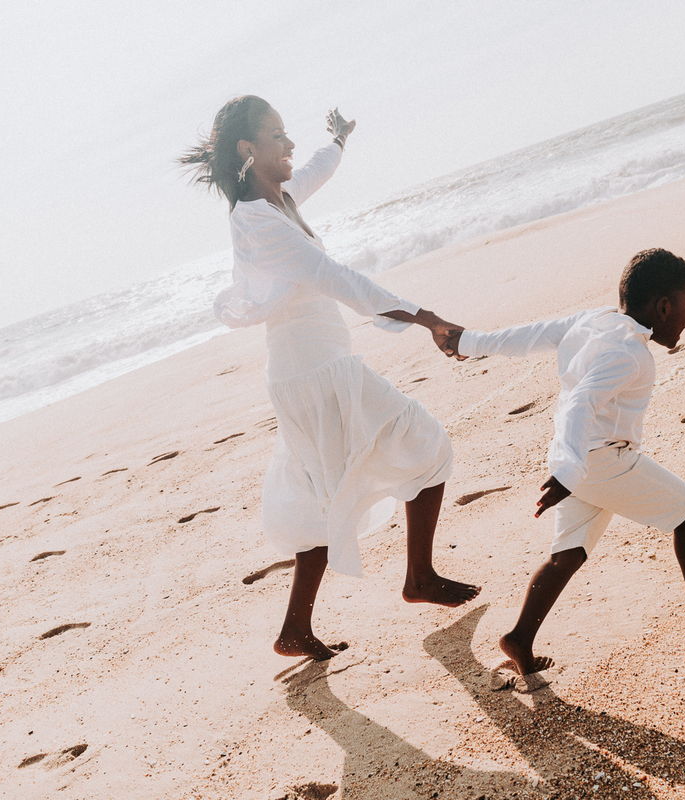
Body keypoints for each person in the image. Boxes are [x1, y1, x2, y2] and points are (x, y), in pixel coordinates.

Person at [181, 95, 479, 662]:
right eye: (277, 135)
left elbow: (316, 167)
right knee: (427, 443)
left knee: (321, 497)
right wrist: (427, 318)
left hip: (311, 368)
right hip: (315, 372)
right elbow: (331, 275)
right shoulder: (257, 221)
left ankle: (295, 629)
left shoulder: (280, 198)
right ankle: (419, 577)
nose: (288, 144)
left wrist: (339, 138)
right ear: (248, 149)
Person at [444, 248, 685, 681]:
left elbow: (531, 335)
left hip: (580, 457)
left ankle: (519, 637)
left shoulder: (596, 320)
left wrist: (468, 342)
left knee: (567, 555)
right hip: (600, 459)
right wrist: (568, 472)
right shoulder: (629, 352)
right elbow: (580, 402)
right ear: (663, 307)